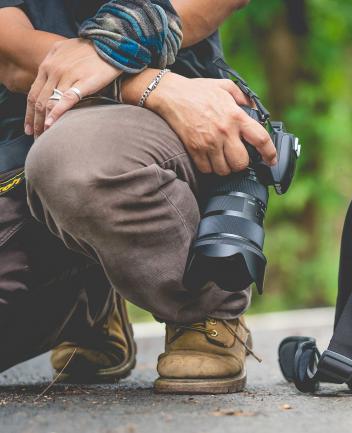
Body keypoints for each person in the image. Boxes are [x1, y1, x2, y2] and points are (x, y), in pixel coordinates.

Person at [0, 0, 277, 394]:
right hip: (24, 137)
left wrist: (125, 37)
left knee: (73, 159)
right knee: (59, 157)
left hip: (148, 133)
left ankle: (205, 309)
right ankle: (89, 306)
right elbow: (11, 53)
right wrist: (140, 80)